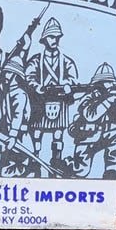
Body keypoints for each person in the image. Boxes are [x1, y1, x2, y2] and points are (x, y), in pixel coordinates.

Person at [65, 62, 116, 180]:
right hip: (86, 139)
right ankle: (66, 164)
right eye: (109, 82)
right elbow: (90, 116)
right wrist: (108, 101)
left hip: (102, 137)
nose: (112, 85)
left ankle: (111, 171)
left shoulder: (109, 99)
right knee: (80, 171)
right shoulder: (89, 97)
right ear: (100, 84)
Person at [25, 16, 78, 169]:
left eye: (57, 37)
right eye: (51, 37)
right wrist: (37, 87)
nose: (55, 40)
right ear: (45, 39)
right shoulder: (36, 60)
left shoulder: (66, 61)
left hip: (59, 100)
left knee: (58, 134)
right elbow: (29, 75)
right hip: (40, 101)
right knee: (36, 133)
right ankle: (34, 160)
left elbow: (73, 77)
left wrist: (68, 84)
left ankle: (56, 161)